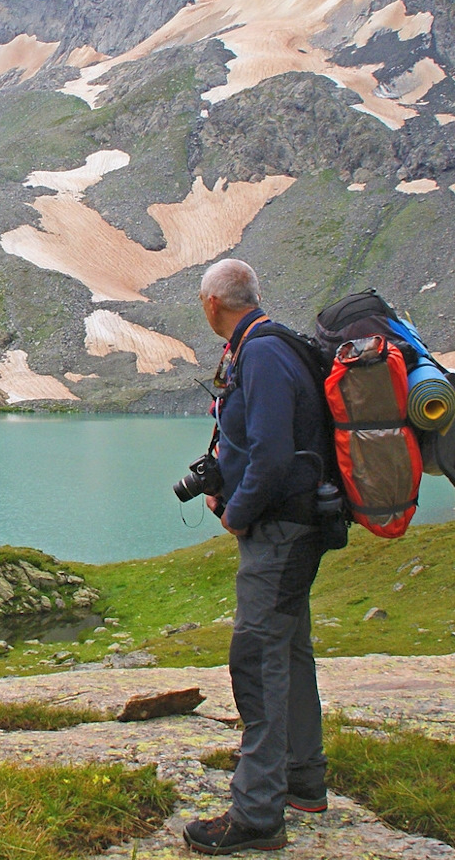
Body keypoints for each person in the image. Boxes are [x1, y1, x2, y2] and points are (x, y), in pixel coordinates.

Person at [183, 258, 329, 855]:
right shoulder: (265, 346)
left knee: (258, 658)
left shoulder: (263, 354)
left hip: (280, 532)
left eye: (201, 301)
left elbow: (270, 457)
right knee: (290, 651)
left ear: (214, 302)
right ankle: (303, 782)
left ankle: (258, 814)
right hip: (295, 527)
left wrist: (236, 512)